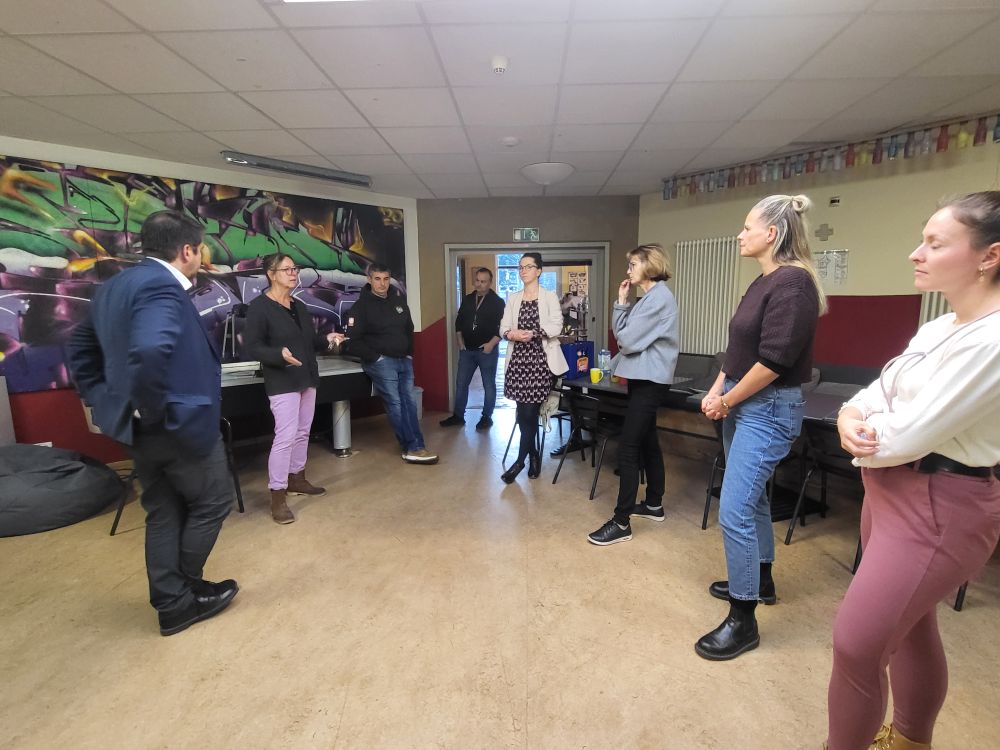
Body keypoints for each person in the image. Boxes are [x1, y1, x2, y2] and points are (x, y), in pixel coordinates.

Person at [824, 192, 1000, 750]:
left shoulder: (994, 339)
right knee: (913, 628)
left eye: (934, 243)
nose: (915, 254)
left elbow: (904, 437)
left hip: (939, 504)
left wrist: (864, 427)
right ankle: (908, 740)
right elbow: (875, 394)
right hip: (888, 495)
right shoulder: (939, 326)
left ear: (989, 255)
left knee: (857, 645)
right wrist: (849, 414)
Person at [67, 210, 238, 636]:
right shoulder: (162, 286)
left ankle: (171, 604)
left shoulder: (113, 287)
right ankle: (182, 593)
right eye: (201, 249)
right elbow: (148, 351)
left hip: (137, 429)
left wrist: (105, 399)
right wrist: (154, 410)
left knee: (163, 511)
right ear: (188, 250)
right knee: (214, 501)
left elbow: (79, 346)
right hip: (174, 426)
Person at [696, 194, 825, 660]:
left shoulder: (794, 284)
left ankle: (743, 619)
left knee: (733, 510)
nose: (740, 234)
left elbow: (773, 362)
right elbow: (738, 352)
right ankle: (761, 579)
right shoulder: (763, 281)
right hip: (743, 402)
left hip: (766, 409)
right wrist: (717, 389)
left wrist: (728, 399)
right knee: (753, 500)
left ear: (771, 233)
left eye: (747, 227)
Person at [587, 244, 679, 545]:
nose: (628, 270)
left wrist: (622, 313)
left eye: (633, 264)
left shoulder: (658, 299)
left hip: (650, 380)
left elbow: (625, 341)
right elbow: (623, 334)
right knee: (648, 440)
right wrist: (622, 303)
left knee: (628, 447)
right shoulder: (648, 298)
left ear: (650, 265)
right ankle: (653, 504)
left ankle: (621, 521)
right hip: (643, 377)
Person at [243, 253, 339, 525]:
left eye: (295, 269)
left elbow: (309, 341)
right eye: (287, 269)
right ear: (271, 274)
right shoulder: (260, 307)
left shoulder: (299, 306)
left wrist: (327, 339)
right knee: (285, 437)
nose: (293, 273)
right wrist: (278, 354)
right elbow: (253, 346)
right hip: (282, 380)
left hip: (306, 378)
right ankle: (277, 495)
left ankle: (297, 478)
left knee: (303, 431)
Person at [333, 263, 438, 464]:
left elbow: (408, 329)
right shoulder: (361, 307)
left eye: (386, 279)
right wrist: (376, 358)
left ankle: (417, 445)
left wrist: (409, 354)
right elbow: (352, 341)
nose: (382, 284)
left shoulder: (398, 302)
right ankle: (412, 447)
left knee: (409, 402)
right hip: (381, 363)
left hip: (403, 360)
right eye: (377, 279)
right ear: (369, 280)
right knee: (396, 404)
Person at [499, 252, 568, 483]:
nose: (523, 271)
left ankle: (520, 462)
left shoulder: (549, 297)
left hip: (541, 362)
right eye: (520, 267)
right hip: (518, 362)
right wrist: (511, 334)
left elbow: (557, 326)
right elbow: (503, 328)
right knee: (523, 414)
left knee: (529, 412)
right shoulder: (513, 298)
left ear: (539, 271)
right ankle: (534, 453)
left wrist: (534, 333)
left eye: (528, 267)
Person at [440, 267, 505, 431]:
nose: (479, 284)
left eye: (483, 281)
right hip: (467, 350)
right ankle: (458, 416)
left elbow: (504, 327)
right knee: (461, 383)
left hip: (487, 351)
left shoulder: (497, 302)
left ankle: (486, 417)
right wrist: (459, 341)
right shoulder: (468, 299)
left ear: (490, 282)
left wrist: (491, 344)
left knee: (488, 385)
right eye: (477, 280)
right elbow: (459, 321)